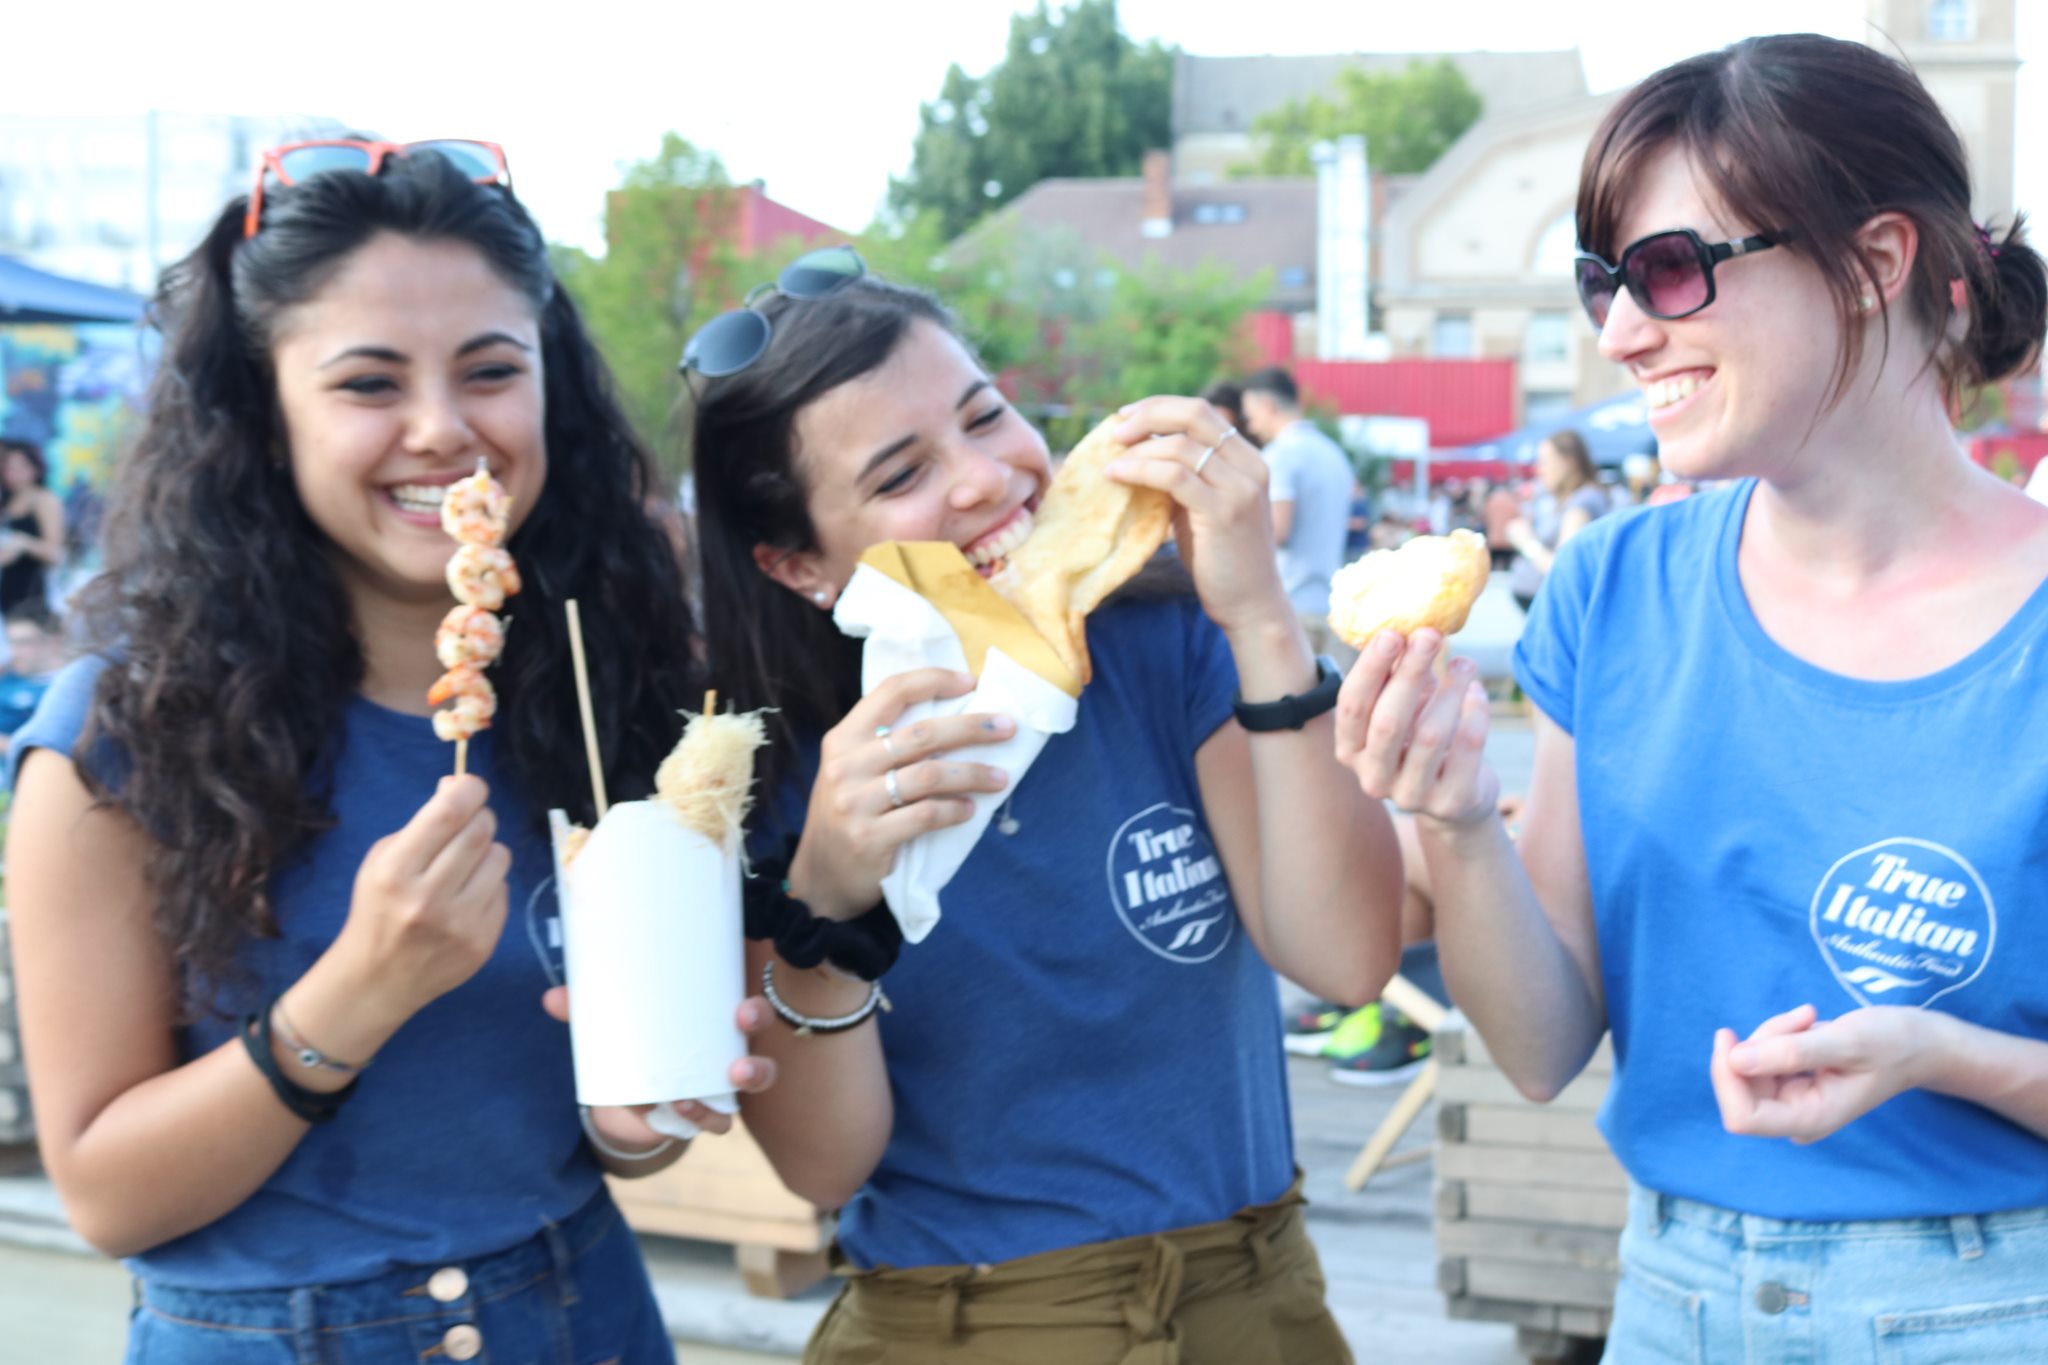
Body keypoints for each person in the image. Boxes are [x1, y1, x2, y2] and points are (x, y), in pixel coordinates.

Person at [1336, 34, 2048, 1362]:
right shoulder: (1615, 587)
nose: (1619, 331)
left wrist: (1940, 1055)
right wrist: (1455, 823)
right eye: (1604, 281)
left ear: (1878, 262)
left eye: (1672, 270)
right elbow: (1545, 1045)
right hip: (1673, 1293)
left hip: (1999, 1300)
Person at [4, 142, 773, 1365]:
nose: (442, 430)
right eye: (369, 383)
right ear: (263, 417)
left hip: (583, 1314)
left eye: (489, 371)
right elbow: (105, 1196)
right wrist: (359, 989)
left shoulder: (601, 693)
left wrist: (650, 1111)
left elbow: (622, 1129)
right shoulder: (118, 741)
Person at [686, 257, 1404, 1363]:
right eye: (899, 474)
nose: (983, 478)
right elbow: (822, 1168)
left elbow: (1345, 959)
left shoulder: (1168, 642)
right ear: (793, 564)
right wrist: (823, 892)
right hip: (953, 1320)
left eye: (987, 416)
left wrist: (1261, 614)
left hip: (1248, 1301)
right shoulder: (764, 775)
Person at [1239, 367, 1358, 664]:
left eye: (1251, 417)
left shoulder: (1280, 456)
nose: (1252, 428)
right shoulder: (1334, 453)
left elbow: (1278, 530)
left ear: (1268, 407)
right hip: (1333, 605)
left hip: (1292, 607)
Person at [1505, 428, 1608, 612]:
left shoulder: (1581, 503)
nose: (1539, 470)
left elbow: (1564, 570)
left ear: (1568, 462)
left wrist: (1527, 542)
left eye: (1545, 462)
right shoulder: (1573, 500)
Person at [0, 438, 66, 618]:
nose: (14, 474)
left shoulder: (45, 500)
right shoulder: (6, 501)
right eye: (9, 468)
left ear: (35, 468)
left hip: (30, 596)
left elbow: (56, 554)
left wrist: (23, 544)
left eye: (21, 467)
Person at [0, 605, 64, 749]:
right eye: (11, 642)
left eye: (23, 642)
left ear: (54, 642)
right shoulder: (9, 679)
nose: (14, 651)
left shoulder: (64, 689)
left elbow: (54, 749)